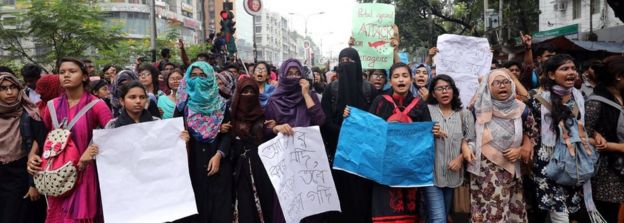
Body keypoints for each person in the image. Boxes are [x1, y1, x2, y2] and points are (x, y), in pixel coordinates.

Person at [27, 57, 112, 222]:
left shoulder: (97, 105)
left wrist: (92, 149)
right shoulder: (51, 105)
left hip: (84, 173)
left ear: (85, 76)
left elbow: (111, 134)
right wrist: (32, 156)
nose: (66, 75)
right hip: (56, 175)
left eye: (72, 71)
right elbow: (41, 136)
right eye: (62, 72)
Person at [363, 62, 434, 223]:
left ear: (411, 79)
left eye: (404, 76)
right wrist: (351, 116)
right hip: (384, 170)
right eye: (396, 77)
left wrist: (435, 131)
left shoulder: (420, 105)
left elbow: (427, 136)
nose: (401, 80)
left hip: (410, 170)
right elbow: (368, 130)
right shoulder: (380, 102)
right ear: (390, 81)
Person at [525, 54, 590, 222]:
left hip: (572, 163)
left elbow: (582, 126)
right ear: (551, 75)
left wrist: (594, 135)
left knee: (571, 211)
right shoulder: (537, 101)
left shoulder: (580, 97)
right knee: (559, 215)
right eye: (565, 69)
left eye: (573, 68)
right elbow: (527, 130)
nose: (571, 72)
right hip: (549, 164)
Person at [469, 69, 534, 223]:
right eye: (496, 83)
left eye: (506, 82)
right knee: (489, 212)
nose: (502, 86)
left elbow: (532, 133)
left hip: (512, 168)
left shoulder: (522, 109)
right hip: (485, 171)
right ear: (488, 87)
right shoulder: (476, 109)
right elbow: (466, 135)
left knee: (511, 210)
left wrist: (521, 149)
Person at [322, 48, 376, 223]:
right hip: (338, 152)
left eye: (350, 60)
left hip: (364, 154)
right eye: (342, 60)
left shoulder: (369, 89)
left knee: (362, 196)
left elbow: (375, 120)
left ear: (358, 63)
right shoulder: (331, 89)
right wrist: (344, 134)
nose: (346, 64)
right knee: (341, 194)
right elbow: (325, 120)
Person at [174, 61, 232, 223]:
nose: (198, 80)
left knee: (219, 209)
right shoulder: (182, 105)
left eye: (202, 75)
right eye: (193, 76)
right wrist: (181, 136)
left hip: (218, 164)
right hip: (192, 162)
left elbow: (229, 133)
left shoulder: (221, 103)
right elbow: (173, 132)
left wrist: (219, 154)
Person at [425, 74, 476, 223]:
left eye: (448, 88)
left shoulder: (464, 114)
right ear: (433, 93)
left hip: (454, 176)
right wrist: (429, 132)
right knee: (439, 218)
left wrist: (460, 159)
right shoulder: (427, 111)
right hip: (431, 175)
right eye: (440, 89)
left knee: (443, 215)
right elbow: (416, 133)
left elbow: (472, 141)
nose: (444, 92)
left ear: (453, 91)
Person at [0, 73, 46, 223]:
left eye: (13, 87)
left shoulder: (31, 115)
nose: (9, 92)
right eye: (3, 88)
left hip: (22, 177)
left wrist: (33, 184)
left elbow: (40, 148)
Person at [585, 56, 624, 223]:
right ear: (618, 76)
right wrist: (606, 144)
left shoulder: (621, 99)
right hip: (606, 174)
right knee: (608, 214)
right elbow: (582, 136)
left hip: (620, 170)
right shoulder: (596, 102)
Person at [230, 77, 274, 223]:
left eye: (252, 91)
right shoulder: (231, 116)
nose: (248, 95)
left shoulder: (264, 115)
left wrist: (274, 127)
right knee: (244, 206)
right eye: (244, 91)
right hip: (237, 168)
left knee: (263, 204)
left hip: (260, 169)